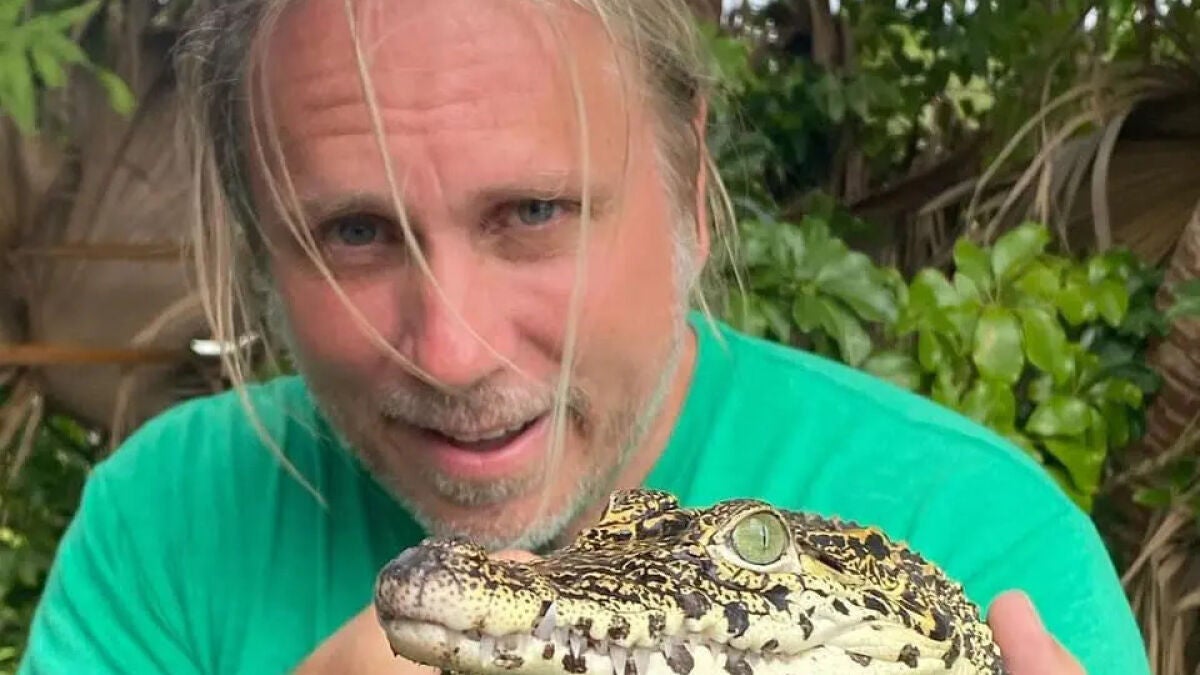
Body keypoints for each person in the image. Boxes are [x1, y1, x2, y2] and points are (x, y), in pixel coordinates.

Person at [19, 0, 1149, 673]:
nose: (451, 353)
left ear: (690, 180)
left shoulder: (978, 549)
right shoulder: (161, 523)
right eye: (354, 233)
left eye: (534, 212)